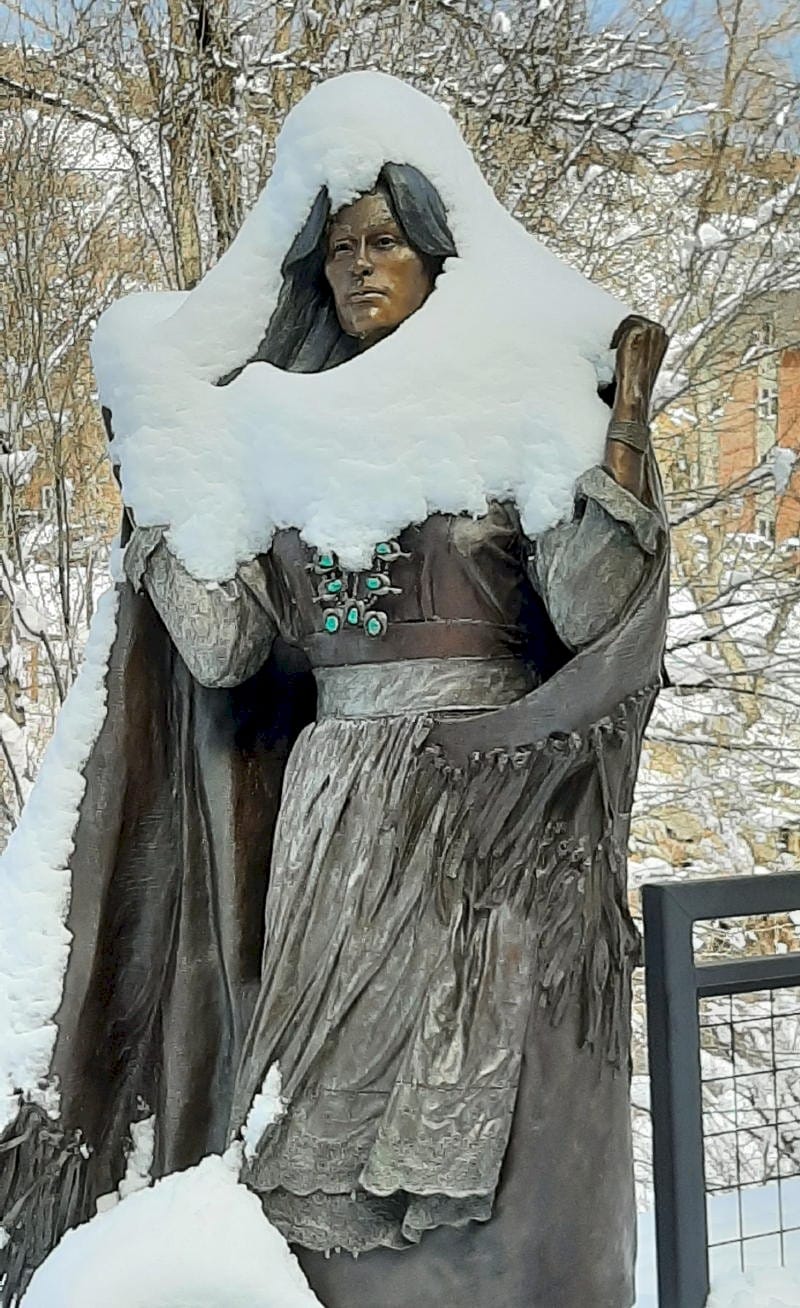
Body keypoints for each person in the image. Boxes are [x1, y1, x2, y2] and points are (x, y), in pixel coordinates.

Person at [0, 73, 668, 1307]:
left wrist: (618, 441)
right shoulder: (280, 428)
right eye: (341, 248)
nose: (360, 268)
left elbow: (588, 614)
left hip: (482, 813)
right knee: (315, 1108)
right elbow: (227, 654)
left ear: (436, 256)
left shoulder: (515, 404)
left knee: (471, 1091)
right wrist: (161, 499)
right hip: (333, 806)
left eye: (385, 243)